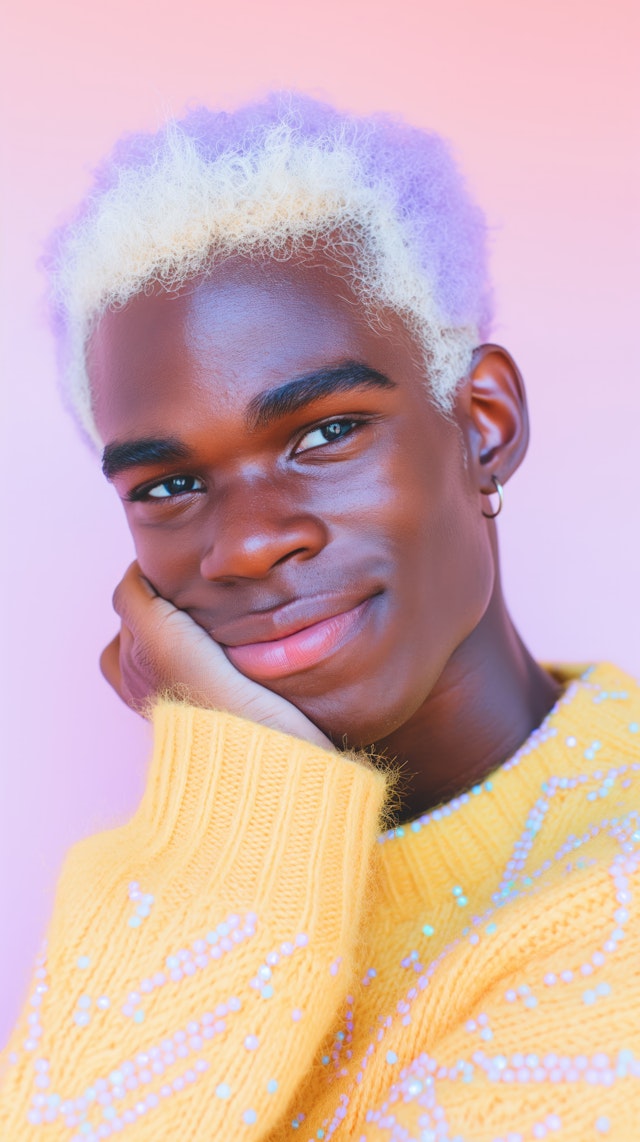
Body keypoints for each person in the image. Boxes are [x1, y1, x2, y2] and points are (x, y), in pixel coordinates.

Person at [1, 92, 639, 1141]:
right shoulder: (163, 874)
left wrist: (229, 814)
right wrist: (233, 809)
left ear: (482, 425)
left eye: (325, 430)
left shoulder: (611, 906)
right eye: (165, 484)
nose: (246, 543)